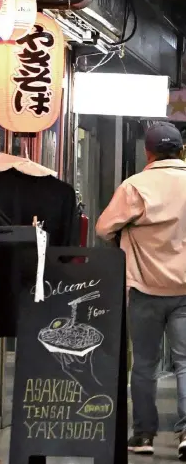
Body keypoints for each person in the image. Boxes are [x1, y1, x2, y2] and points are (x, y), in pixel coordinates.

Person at [96, 122, 186, 460]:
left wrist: (130, 233)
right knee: (185, 362)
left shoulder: (136, 186)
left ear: (147, 152)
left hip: (146, 287)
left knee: (145, 364)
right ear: (179, 149)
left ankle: (144, 434)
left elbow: (105, 228)